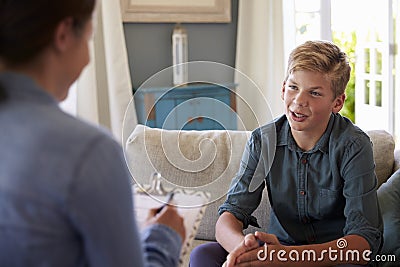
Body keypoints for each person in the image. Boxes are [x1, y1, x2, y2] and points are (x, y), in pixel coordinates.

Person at [0, 1, 185, 266]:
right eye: (89, 37)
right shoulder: (88, 152)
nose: (87, 58)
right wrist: (164, 237)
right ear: (63, 34)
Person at [190, 40, 382, 267]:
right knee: (204, 255)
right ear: (283, 89)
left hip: (329, 259)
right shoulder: (263, 141)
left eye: (315, 93)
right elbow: (229, 216)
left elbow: (364, 242)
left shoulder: (353, 146)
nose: (299, 101)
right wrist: (242, 250)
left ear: (337, 102)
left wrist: (287, 258)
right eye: (293, 87)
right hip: (276, 254)